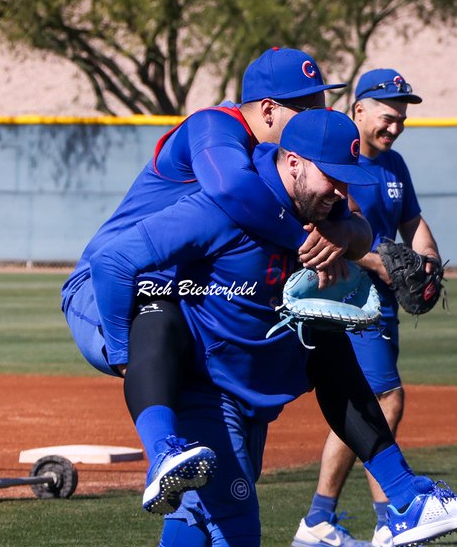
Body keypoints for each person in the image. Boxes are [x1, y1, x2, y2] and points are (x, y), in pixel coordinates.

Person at [53, 109, 457, 547]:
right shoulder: (219, 207)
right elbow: (119, 260)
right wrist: (129, 358)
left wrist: (361, 247)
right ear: (290, 162)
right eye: (331, 179)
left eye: (349, 182)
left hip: (256, 386)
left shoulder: (322, 216)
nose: (341, 192)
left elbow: (355, 223)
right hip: (207, 392)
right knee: (239, 531)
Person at [60, 47, 372, 514]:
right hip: (109, 286)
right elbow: (231, 189)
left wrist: (343, 232)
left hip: (181, 295)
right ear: (268, 110)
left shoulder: (288, 167)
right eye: (307, 105)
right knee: (157, 322)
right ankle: (160, 454)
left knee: (213, 524)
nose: (320, 114)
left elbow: (358, 226)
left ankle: (405, 491)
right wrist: (308, 241)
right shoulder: (216, 127)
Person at [290, 68, 445, 547]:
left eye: (401, 119)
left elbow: (414, 225)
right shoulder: (342, 160)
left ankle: (318, 517)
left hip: (383, 301)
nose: (394, 127)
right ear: (358, 110)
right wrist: (398, 270)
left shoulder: (396, 166)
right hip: (353, 298)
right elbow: (343, 237)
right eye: (387, 117)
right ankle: (392, 520)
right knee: (386, 399)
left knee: (358, 406)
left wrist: (430, 265)